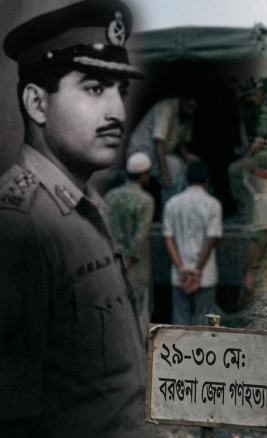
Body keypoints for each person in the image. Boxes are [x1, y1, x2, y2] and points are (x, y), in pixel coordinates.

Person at [0, 1, 150, 436]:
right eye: (93, 87)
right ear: (37, 103)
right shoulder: (20, 227)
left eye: (120, 91)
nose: (118, 113)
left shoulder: (88, 205)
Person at [163, 160, 223, 325]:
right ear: (207, 180)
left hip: (179, 274)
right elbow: (211, 239)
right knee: (203, 323)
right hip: (205, 274)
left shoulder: (172, 203)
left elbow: (168, 238)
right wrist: (197, 270)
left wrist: (181, 268)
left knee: (179, 322)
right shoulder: (213, 204)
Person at [104, 152, 155, 335]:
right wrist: (130, 257)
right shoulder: (146, 200)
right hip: (136, 266)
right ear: (143, 175)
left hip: (112, 262)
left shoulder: (110, 196)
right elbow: (141, 235)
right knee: (138, 316)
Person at [127, 95, 197, 205]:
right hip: (143, 150)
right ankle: (169, 208)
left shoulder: (188, 113)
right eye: (190, 105)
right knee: (173, 167)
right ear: (183, 100)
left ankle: (182, 206)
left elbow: (180, 143)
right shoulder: (166, 108)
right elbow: (159, 142)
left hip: (163, 152)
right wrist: (165, 173)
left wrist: (189, 159)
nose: (191, 109)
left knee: (191, 163)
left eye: (194, 107)